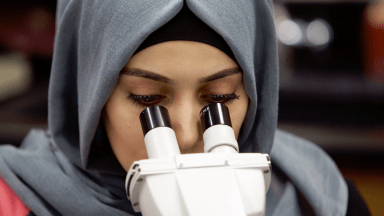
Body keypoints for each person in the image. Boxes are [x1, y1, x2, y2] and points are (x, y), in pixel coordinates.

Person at [0, 0, 370, 215]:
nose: (189, 135)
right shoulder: (12, 200)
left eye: (220, 100)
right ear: (91, 96)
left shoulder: (323, 199)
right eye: (147, 100)